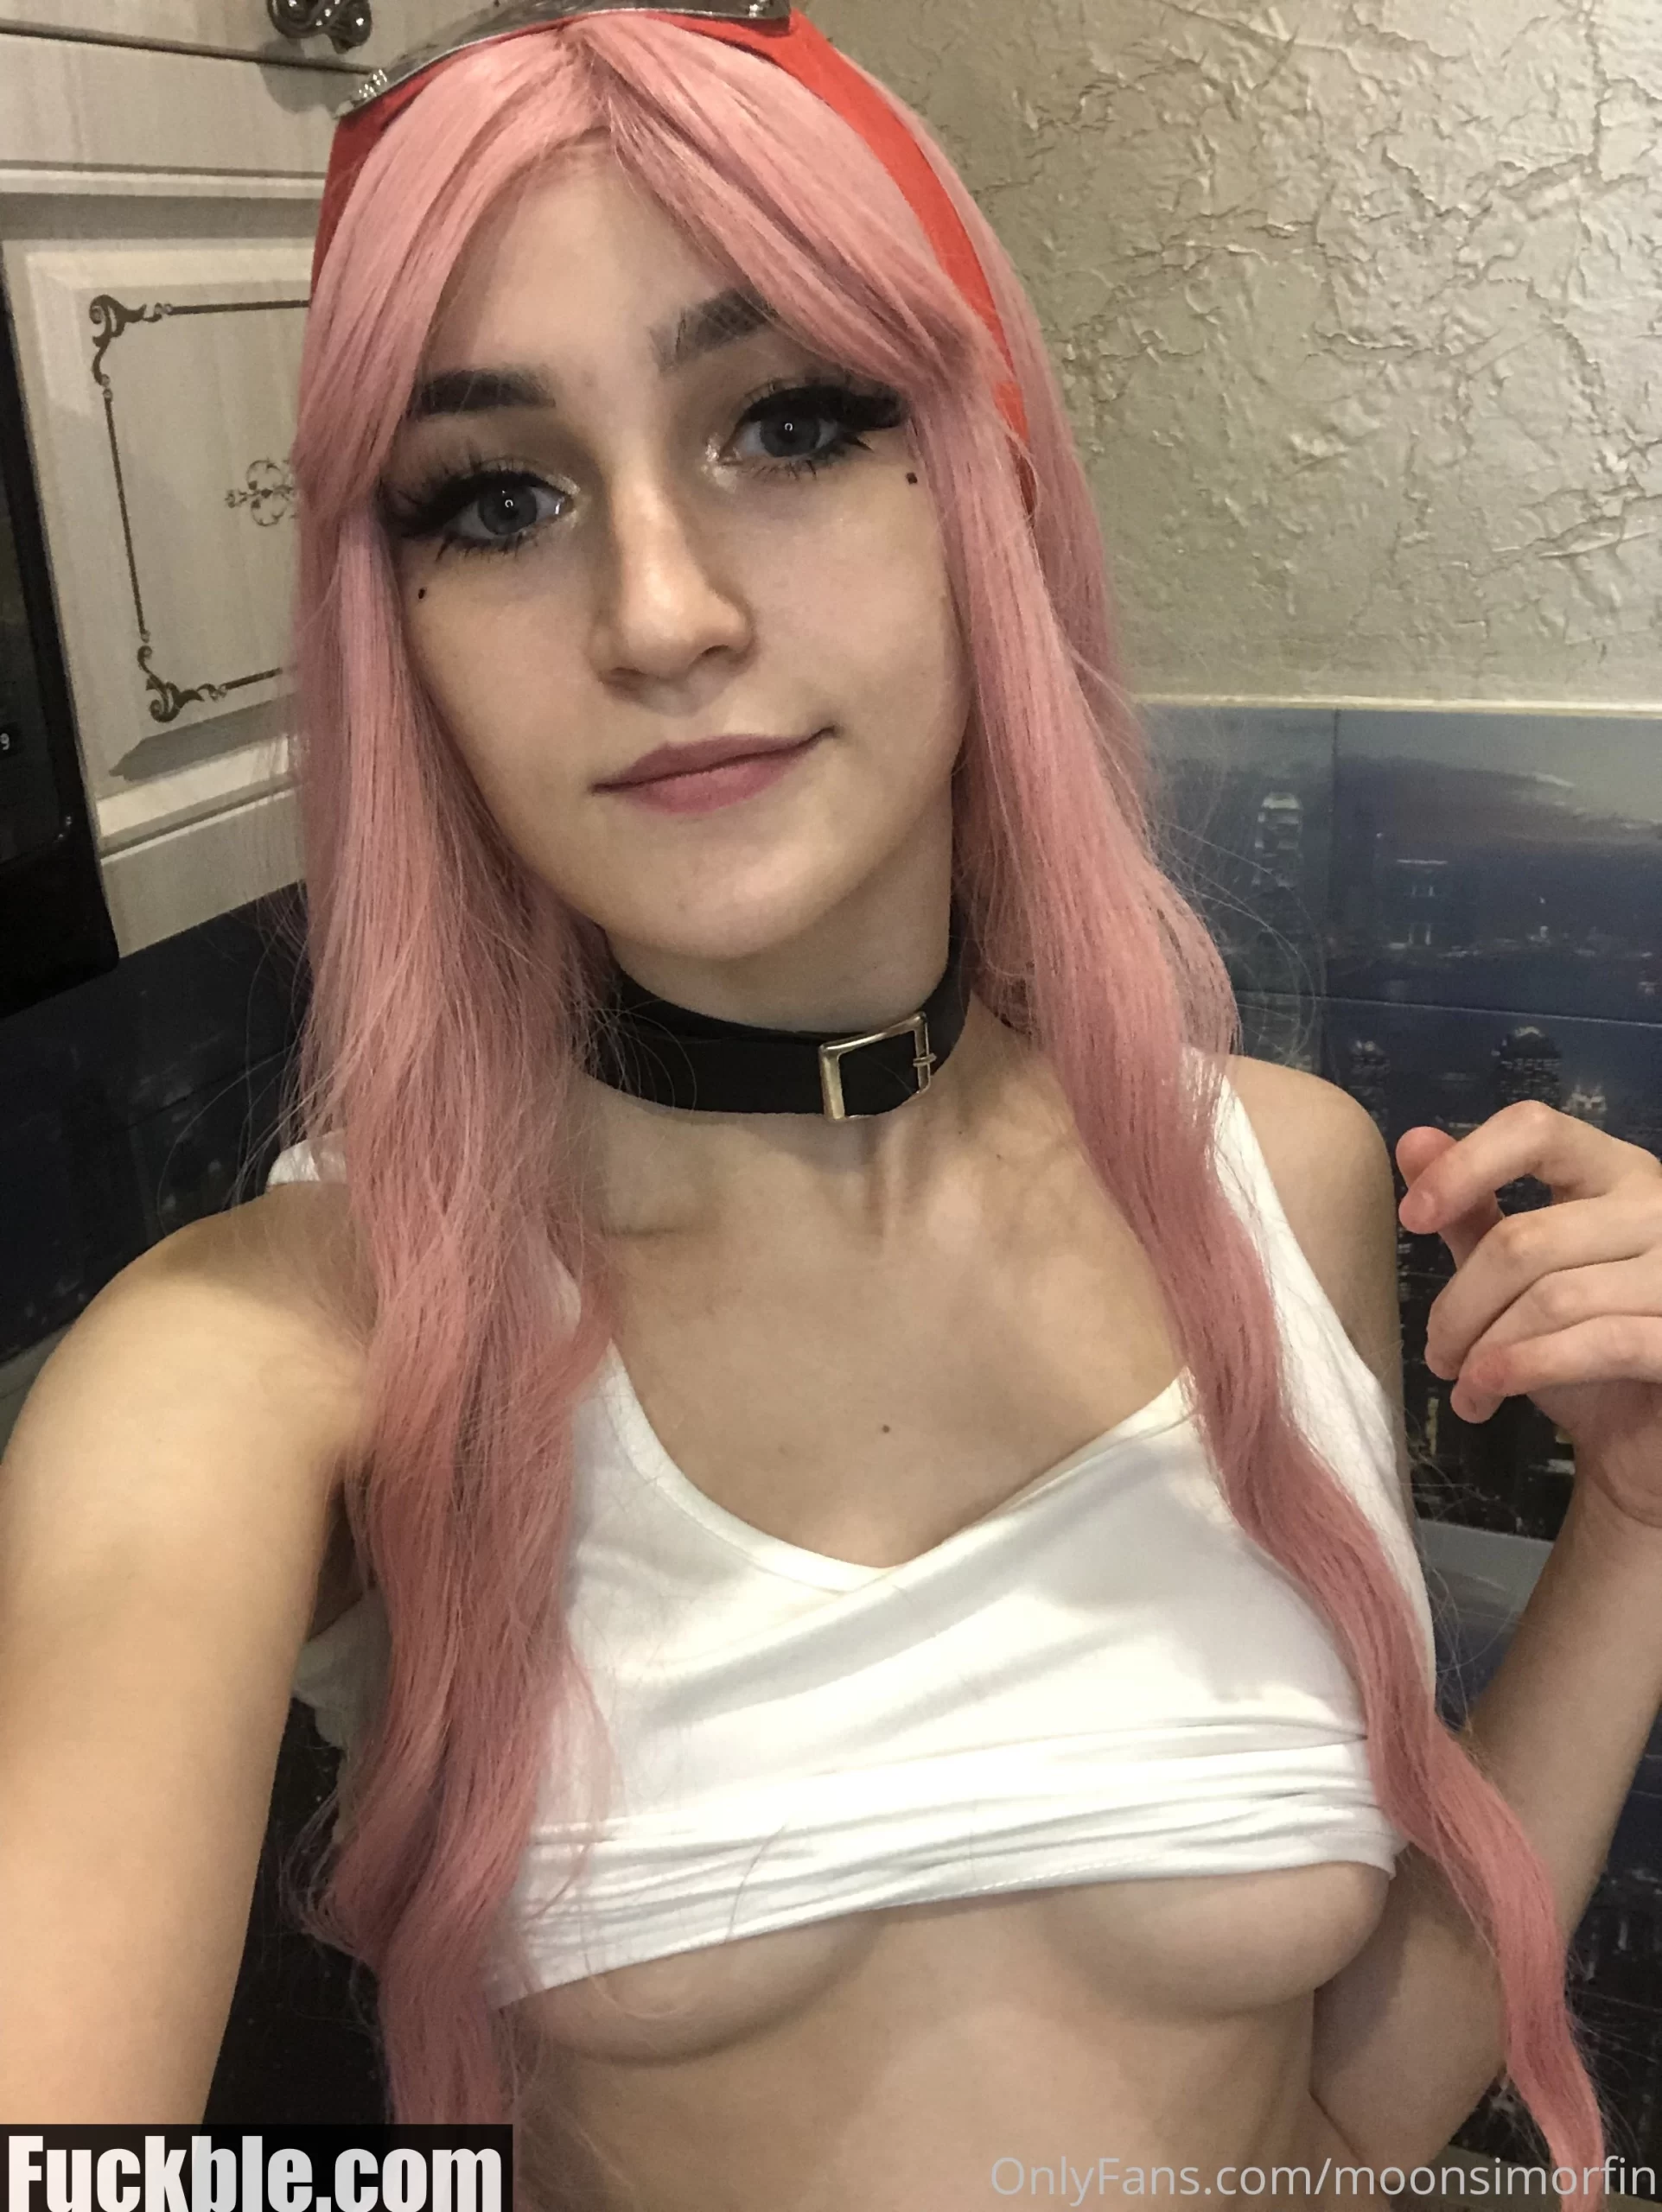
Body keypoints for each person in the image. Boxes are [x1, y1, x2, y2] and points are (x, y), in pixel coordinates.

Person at [7, 3, 1662, 2205]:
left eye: (788, 422)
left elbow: (1342, 2122)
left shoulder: (1277, 1179)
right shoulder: (276, 1352)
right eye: (494, 498)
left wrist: (1639, 1521)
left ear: (990, 487)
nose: (660, 613)